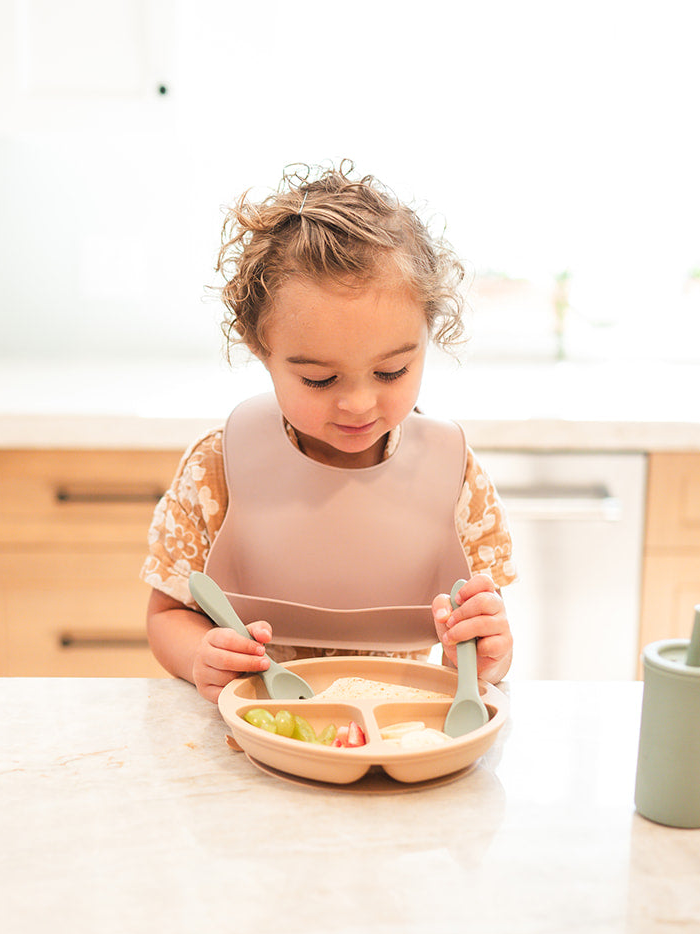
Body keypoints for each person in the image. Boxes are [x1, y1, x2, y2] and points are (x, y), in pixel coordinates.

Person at [142, 161, 516, 703]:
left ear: (427, 335)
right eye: (319, 379)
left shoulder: (455, 478)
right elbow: (169, 613)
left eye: (391, 372)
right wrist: (200, 654)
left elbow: (486, 648)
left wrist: (490, 652)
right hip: (260, 730)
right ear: (260, 349)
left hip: (397, 735)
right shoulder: (216, 470)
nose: (359, 404)